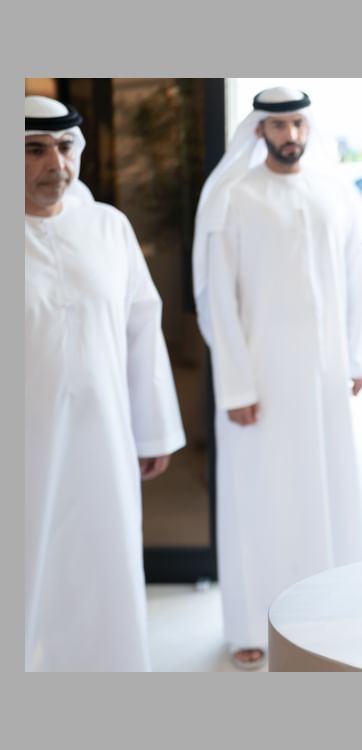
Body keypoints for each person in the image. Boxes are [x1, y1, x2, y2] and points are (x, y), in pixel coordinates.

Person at [192, 86, 362, 669]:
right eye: (279, 126)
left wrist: (357, 357)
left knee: (325, 490)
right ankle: (251, 624)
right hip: (260, 381)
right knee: (259, 497)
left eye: (298, 124)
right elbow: (217, 298)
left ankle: (328, 613)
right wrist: (236, 385)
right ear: (259, 130)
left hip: (323, 377)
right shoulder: (233, 196)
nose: (290, 135)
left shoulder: (333, 193)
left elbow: (354, 278)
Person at [25, 96, 186, 671]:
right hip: (23, 445)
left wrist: (152, 429)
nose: (56, 164)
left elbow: (143, 326)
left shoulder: (108, 227)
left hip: (104, 438)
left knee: (101, 558)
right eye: (34, 150)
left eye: (65, 147)